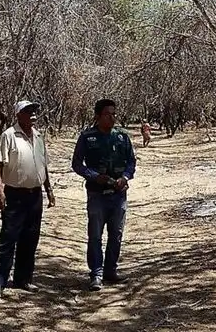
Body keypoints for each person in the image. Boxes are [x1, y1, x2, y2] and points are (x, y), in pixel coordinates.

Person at [0, 100, 55, 299]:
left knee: (30, 238)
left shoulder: (39, 136)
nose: (33, 114)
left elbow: (43, 166)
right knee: (8, 238)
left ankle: (23, 279)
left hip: (35, 195)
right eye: (28, 111)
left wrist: (49, 190)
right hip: (14, 195)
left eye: (35, 111)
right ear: (19, 115)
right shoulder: (8, 135)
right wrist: (0, 192)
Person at [71, 98, 137, 291]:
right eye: (108, 114)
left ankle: (111, 270)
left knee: (116, 234)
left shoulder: (122, 137)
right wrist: (94, 177)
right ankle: (96, 274)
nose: (113, 117)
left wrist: (125, 177)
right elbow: (76, 164)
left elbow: (131, 162)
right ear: (98, 116)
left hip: (118, 195)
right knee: (95, 235)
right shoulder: (87, 137)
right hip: (97, 194)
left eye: (114, 114)